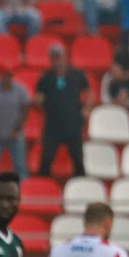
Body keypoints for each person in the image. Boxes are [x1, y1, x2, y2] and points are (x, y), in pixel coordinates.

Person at [34, 45, 90, 178]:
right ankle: (43, 186)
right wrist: (38, 101)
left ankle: (81, 186)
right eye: (53, 57)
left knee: (78, 160)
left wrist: (87, 108)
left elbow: (88, 91)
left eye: (58, 57)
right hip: (52, 126)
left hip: (73, 125)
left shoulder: (77, 74)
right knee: (46, 160)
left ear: (65, 57)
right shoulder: (46, 77)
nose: (57, 60)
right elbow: (39, 97)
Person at [0, 68, 30, 180]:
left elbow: (26, 112)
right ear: (1, 75)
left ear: (12, 76)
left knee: (21, 168)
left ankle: (23, 189)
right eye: (5, 75)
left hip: (15, 135)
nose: (7, 78)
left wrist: (16, 130)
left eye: (9, 76)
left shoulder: (21, 91)